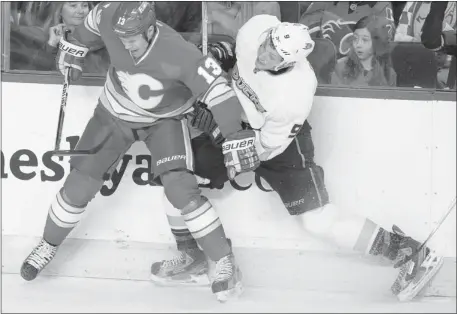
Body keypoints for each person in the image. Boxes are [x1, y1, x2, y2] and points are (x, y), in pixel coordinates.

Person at [150, 14, 444, 302]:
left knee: (316, 219)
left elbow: (263, 150)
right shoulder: (256, 29)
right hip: (231, 120)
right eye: (266, 45)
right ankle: (192, 255)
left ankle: (408, 252)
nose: (263, 54)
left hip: (279, 144)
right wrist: (220, 58)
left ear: (290, 62)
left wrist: (216, 129)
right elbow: (234, 55)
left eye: (273, 55)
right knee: (177, 179)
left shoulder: (294, 94)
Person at [19, 2, 261, 302]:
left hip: (164, 122)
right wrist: (71, 56)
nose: (124, 44)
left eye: (131, 38)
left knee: (181, 190)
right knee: (79, 184)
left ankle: (223, 259)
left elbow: (220, 92)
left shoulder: (181, 52)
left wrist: (236, 136)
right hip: (113, 114)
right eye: (119, 37)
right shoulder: (107, 14)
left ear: (150, 29)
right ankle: (47, 244)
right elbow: (82, 36)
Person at [331, 15, 397, 87]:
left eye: (365, 40)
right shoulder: (340, 68)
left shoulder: (389, 74)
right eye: (355, 38)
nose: (358, 44)